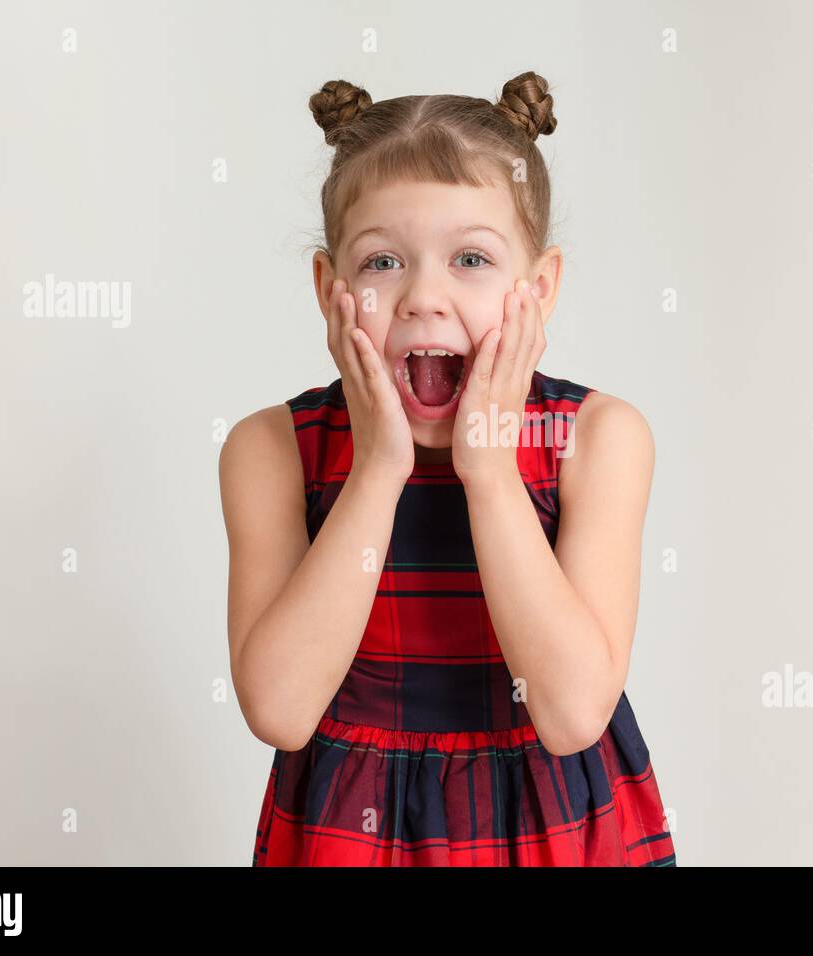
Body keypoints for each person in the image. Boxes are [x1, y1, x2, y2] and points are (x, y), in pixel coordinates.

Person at [218, 71, 677, 866]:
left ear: (538, 291)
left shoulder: (599, 439)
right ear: (331, 290)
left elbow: (570, 715)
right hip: (351, 835)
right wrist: (377, 470)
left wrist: (490, 470)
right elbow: (282, 710)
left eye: (470, 258)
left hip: (554, 831)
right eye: (383, 263)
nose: (424, 297)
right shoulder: (271, 450)